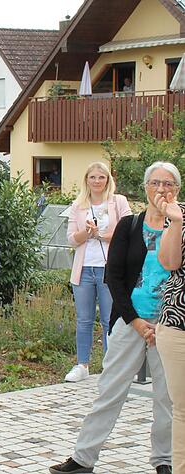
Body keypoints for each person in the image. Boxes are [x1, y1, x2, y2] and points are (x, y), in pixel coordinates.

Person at [49, 161, 177, 474]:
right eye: (155, 183)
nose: (162, 189)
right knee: (110, 391)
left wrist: (163, 323)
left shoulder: (181, 225)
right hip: (130, 323)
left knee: (167, 399)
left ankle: (164, 460)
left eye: (169, 184)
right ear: (146, 188)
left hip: (170, 327)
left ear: (177, 189)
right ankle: (83, 458)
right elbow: (114, 277)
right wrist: (134, 321)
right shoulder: (130, 225)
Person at [65, 162, 132, 382]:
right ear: (87, 180)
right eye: (92, 177)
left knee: (108, 319)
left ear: (108, 180)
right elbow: (72, 239)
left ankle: (110, 366)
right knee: (84, 319)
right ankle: (82, 365)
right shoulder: (78, 205)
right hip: (83, 270)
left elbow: (127, 232)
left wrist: (100, 235)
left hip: (108, 270)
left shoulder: (118, 202)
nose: (97, 181)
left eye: (101, 177)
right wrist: (87, 232)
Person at [156, 164, 185, 474]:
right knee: (184, 410)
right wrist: (175, 221)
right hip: (179, 327)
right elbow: (169, 261)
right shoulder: (178, 213)